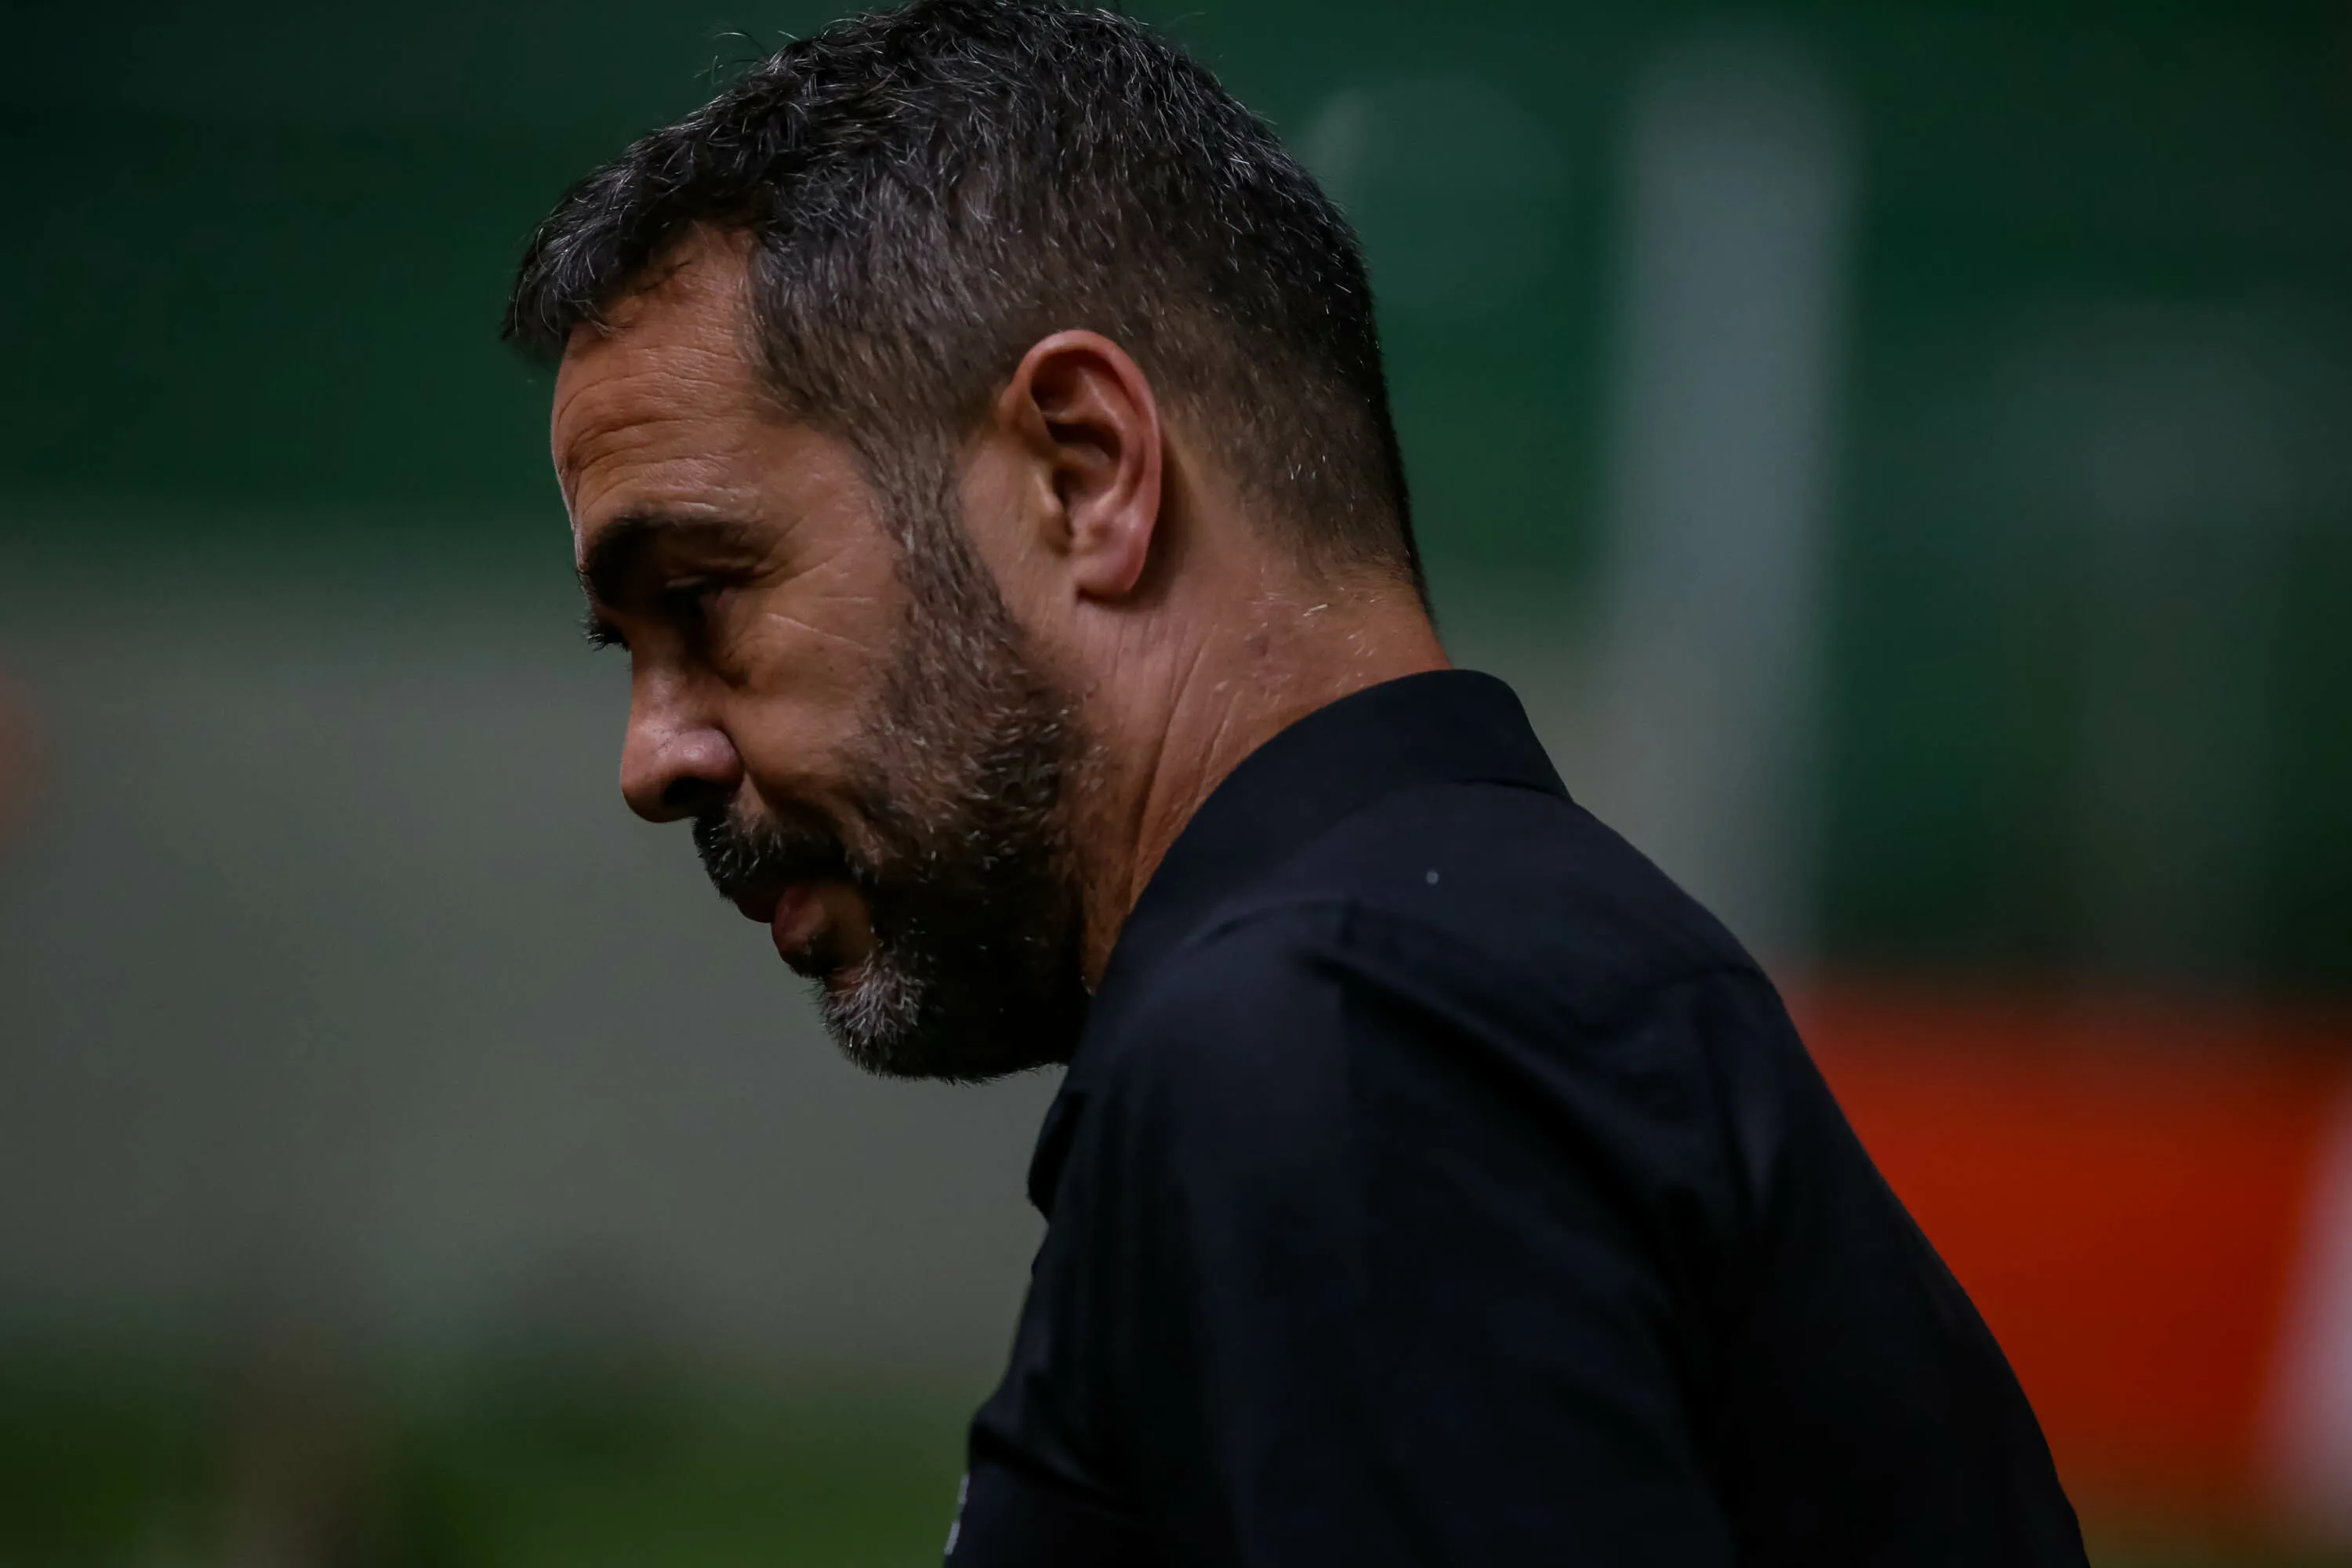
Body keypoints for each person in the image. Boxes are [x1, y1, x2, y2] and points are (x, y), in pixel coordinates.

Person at [505, 2, 2086, 1561]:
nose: (653, 759)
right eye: (626, 652)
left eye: (700, 595)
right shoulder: (1465, 973)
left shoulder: (1337, 1038)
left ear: (1084, 474)